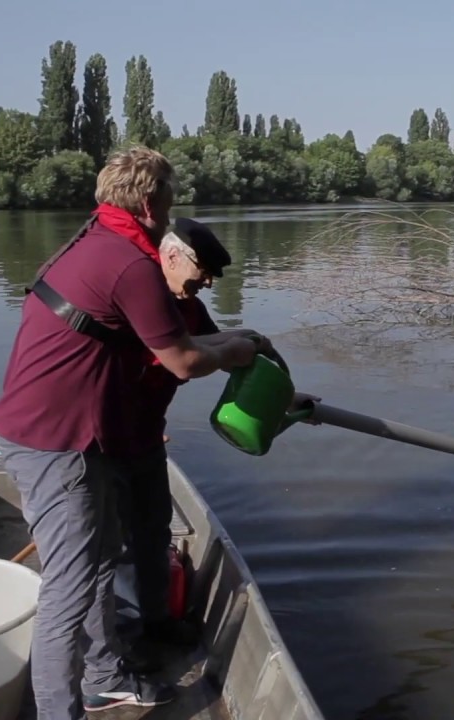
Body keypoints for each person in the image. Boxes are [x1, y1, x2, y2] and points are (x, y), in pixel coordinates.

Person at [0, 146, 269, 719]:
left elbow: (188, 342)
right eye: (168, 200)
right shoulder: (130, 266)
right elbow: (184, 362)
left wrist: (247, 349)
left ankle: (106, 675)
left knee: (95, 567)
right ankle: (63, 708)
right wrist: (237, 348)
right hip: (58, 443)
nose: (171, 210)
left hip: (70, 434)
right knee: (67, 591)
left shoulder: (95, 243)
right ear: (149, 202)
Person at [118, 217, 316, 671]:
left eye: (212, 275)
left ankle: (157, 622)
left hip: (146, 435)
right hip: (104, 438)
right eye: (202, 270)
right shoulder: (138, 294)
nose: (207, 282)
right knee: (119, 545)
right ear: (170, 256)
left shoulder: (187, 306)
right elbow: (181, 355)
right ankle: (126, 649)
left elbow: (227, 357)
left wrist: (286, 396)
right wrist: (239, 341)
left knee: (152, 533)